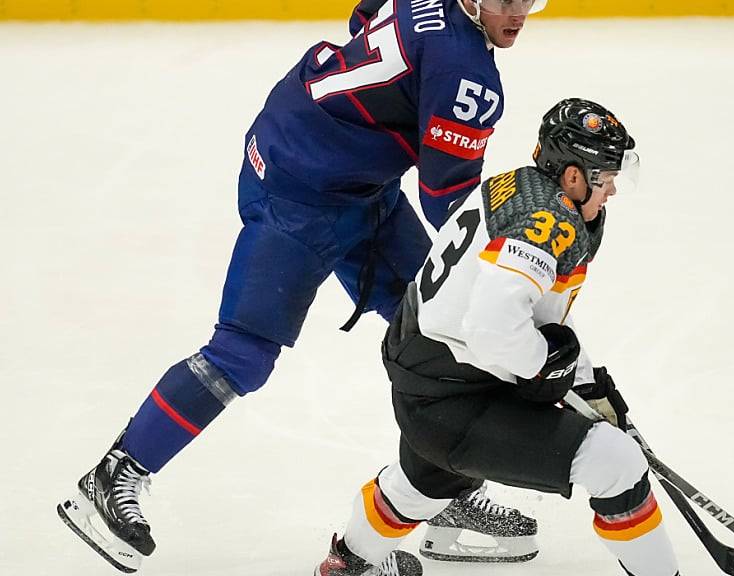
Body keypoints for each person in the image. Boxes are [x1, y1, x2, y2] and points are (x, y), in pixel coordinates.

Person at [56, 1, 550, 572]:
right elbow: (447, 202)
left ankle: (442, 495)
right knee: (243, 352)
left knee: (440, 332)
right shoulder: (468, 74)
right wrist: (510, 266)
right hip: (299, 194)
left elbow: (364, 17)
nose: (518, 11)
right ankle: (116, 473)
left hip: (342, 171)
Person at [314, 98, 679, 576]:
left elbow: (526, 319)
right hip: (458, 394)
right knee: (617, 464)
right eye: (604, 179)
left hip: (433, 380)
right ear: (572, 176)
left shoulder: (519, 187)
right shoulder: (546, 224)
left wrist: (587, 384)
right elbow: (493, 330)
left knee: (421, 484)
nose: (609, 191)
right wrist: (547, 369)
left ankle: (346, 565)